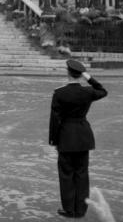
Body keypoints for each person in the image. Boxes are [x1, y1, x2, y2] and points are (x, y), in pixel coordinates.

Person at [49, 59, 108, 219]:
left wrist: (54, 141)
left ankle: (69, 209)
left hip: (66, 138)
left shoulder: (60, 93)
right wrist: (88, 77)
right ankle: (81, 210)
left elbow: (55, 120)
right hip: (83, 137)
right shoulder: (88, 92)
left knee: (66, 174)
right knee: (82, 174)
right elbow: (102, 90)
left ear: (68, 73)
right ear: (80, 75)